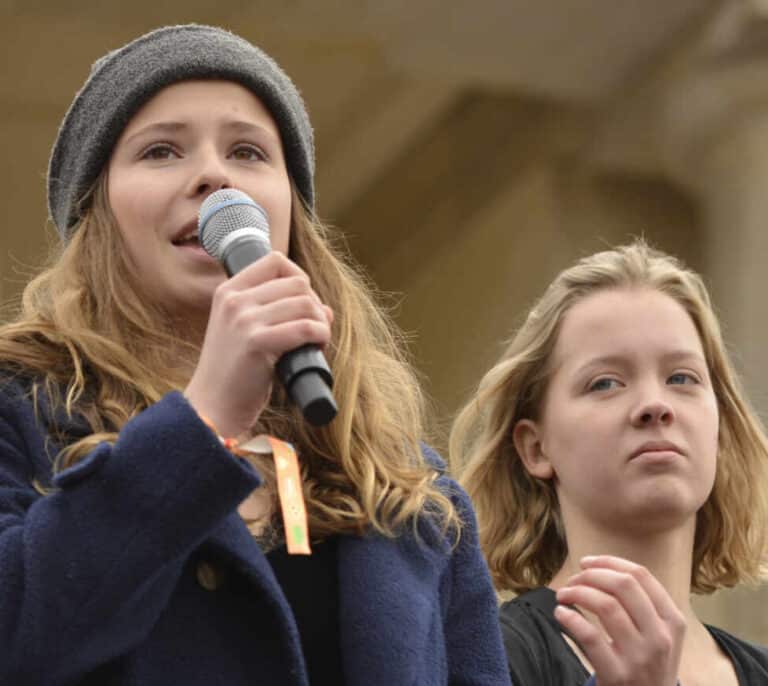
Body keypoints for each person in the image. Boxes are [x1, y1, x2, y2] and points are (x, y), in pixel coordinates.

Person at [0, 24, 509, 685]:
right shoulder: (19, 414)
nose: (213, 174)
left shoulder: (416, 494)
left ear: (291, 214)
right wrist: (204, 420)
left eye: (247, 151)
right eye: (160, 151)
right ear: (95, 215)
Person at [451, 241, 768, 685]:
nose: (655, 405)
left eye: (682, 378)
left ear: (719, 428)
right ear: (535, 448)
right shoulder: (491, 660)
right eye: (605, 383)